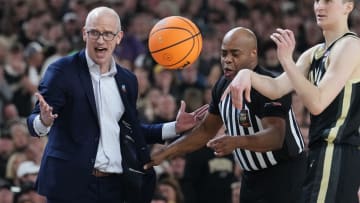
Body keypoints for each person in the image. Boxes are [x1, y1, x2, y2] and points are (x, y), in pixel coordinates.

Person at [26, 6, 208, 203]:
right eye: (94, 32)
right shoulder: (61, 70)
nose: (101, 39)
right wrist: (43, 122)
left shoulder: (127, 79)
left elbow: (130, 131)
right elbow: (33, 122)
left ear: (119, 37)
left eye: (107, 33)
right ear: (84, 34)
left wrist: (174, 127)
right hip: (71, 185)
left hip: (114, 186)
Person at [145, 27, 306, 203]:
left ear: (253, 53)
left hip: (286, 172)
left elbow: (276, 137)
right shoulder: (222, 86)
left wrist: (236, 141)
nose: (227, 60)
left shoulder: (270, 85)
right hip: (251, 175)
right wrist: (166, 152)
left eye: (235, 54)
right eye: (223, 54)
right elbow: (206, 130)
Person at [226, 0, 360, 202]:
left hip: (337, 149)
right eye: (316, 1)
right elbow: (276, 88)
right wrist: (247, 74)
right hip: (320, 152)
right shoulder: (314, 53)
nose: (319, 6)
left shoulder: (350, 46)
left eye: (328, 1)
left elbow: (317, 103)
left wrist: (287, 61)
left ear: (348, 6)